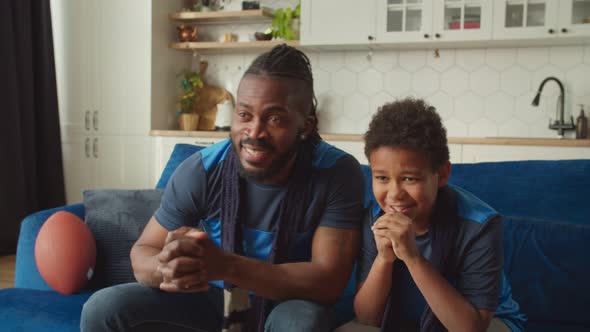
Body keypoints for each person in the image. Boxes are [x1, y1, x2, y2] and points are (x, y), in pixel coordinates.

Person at [80, 44, 365, 332]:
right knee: (104, 308)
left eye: (275, 118)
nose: (254, 132)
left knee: (302, 322)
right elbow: (144, 251)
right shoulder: (202, 170)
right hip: (211, 295)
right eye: (244, 115)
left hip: (288, 301)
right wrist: (165, 268)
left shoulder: (337, 173)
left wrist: (226, 266)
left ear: (305, 126)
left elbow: (328, 282)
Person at [349, 98, 525, 332]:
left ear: (442, 174)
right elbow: (367, 318)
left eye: (409, 179)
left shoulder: (479, 225)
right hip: (406, 320)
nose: (394, 194)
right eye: (382, 178)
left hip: (484, 323)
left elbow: (470, 328)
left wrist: (412, 258)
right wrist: (384, 259)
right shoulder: (375, 218)